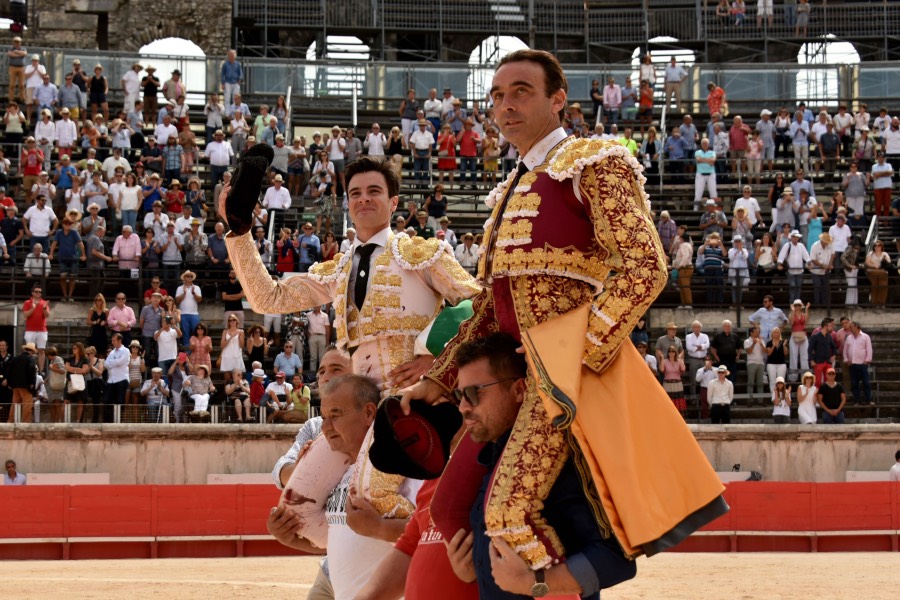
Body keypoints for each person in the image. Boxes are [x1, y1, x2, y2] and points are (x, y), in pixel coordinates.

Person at [223, 152, 479, 395]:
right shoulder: (336, 271)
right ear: (348, 203)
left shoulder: (422, 254)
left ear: (393, 203)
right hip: (359, 409)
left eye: (374, 191)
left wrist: (439, 355)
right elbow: (267, 298)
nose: (363, 198)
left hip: (420, 401)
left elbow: (480, 301)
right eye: (355, 193)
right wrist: (240, 233)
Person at [444, 333, 636, 597]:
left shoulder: (559, 464)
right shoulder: (489, 460)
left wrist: (535, 582)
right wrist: (471, 567)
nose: (463, 407)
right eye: (459, 395)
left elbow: (616, 559)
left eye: (473, 394)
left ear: (520, 391)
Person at [22, 283, 51, 374]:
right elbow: (26, 315)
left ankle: (41, 371)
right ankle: (30, 369)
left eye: (40, 292)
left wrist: (44, 308)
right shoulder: (27, 302)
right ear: (32, 293)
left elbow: (47, 315)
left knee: (41, 350)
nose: (38, 294)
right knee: (30, 350)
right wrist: (33, 308)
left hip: (42, 330)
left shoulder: (44, 303)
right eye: (36, 292)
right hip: (30, 330)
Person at [843, 321, 873, 406]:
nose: (850, 328)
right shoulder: (849, 337)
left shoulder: (865, 337)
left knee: (866, 382)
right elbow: (845, 350)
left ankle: (869, 399)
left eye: (851, 326)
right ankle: (857, 400)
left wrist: (867, 360)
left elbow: (869, 349)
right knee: (854, 383)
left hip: (862, 364)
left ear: (856, 327)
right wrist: (846, 359)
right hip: (852, 364)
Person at [7, 343, 38, 423]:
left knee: (15, 404)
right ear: (32, 351)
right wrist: (32, 382)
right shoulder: (30, 359)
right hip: (25, 385)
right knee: (27, 404)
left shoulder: (16, 358)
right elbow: (32, 370)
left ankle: (10, 421)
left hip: (15, 385)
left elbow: (9, 371)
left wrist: (10, 383)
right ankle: (26, 422)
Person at [103, 333, 130, 423]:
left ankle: (119, 422)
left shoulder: (125, 351)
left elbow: (120, 362)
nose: (112, 342)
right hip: (111, 380)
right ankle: (108, 422)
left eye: (114, 340)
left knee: (120, 401)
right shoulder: (112, 352)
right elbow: (106, 364)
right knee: (107, 401)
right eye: (112, 340)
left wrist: (112, 362)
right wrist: (114, 362)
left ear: (119, 340)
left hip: (121, 379)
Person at [660, 346, 687, 417]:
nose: (671, 353)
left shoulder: (678, 361)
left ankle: (679, 416)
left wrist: (681, 358)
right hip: (667, 384)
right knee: (668, 399)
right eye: (670, 351)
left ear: (675, 353)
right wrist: (662, 358)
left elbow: (683, 369)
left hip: (677, 384)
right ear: (668, 353)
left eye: (673, 351)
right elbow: (662, 369)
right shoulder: (665, 361)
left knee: (678, 400)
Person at [788, 299, 810, 377]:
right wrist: (793, 311)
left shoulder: (803, 314)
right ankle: (793, 377)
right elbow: (792, 322)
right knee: (793, 356)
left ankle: (805, 376)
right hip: (794, 336)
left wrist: (807, 309)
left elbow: (806, 320)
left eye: (799, 305)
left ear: (801, 306)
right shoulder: (791, 314)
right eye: (796, 305)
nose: (797, 306)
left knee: (804, 356)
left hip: (803, 336)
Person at [766, 327, 789, 393]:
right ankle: (773, 396)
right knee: (772, 380)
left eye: (777, 332)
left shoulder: (783, 342)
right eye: (775, 332)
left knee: (781, 380)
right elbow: (769, 353)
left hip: (781, 363)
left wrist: (784, 346)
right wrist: (773, 346)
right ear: (772, 334)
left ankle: (781, 396)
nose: (776, 334)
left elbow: (785, 353)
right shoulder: (769, 343)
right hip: (771, 364)